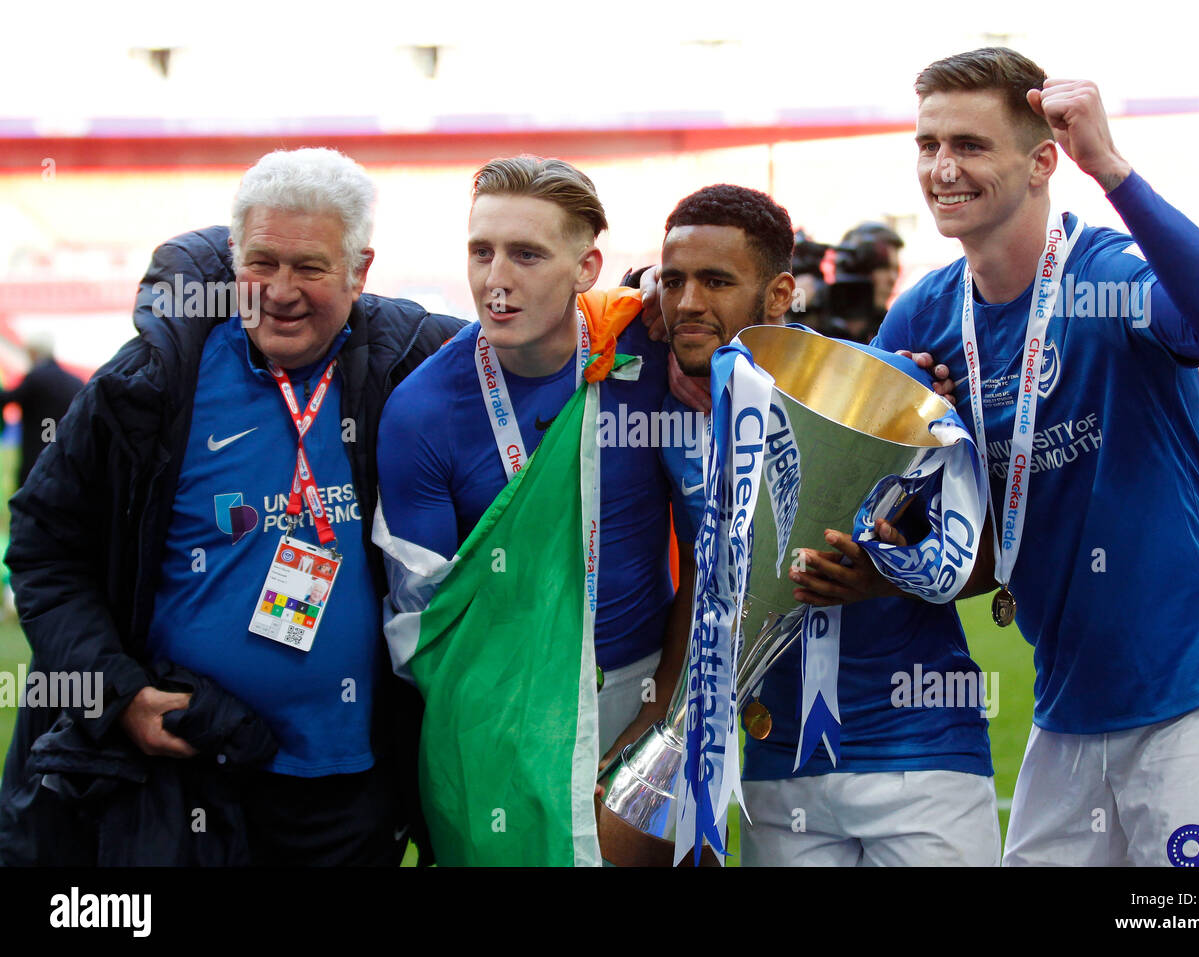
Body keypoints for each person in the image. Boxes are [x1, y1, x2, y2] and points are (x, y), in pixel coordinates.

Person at [0, 147, 464, 866]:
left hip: (347, 791)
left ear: (359, 270)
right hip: (186, 772)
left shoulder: (412, 362)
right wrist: (117, 694)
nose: (278, 291)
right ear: (232, 256)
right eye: (261, 262)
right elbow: (42, 542)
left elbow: (537, 348)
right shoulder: (153, 380)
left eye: (309, 267)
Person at [869, 48, 1199, 865]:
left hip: (1191, 689)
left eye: (971, 146)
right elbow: (872, 499)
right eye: (928, 144)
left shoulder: (1106, 276)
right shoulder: (924, 315)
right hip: (1067, 699)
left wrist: (1113, 168)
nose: (942, 167)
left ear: (1044, 160)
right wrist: (908, 428)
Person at [655, 183, 1000, 866]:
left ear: (781, 294)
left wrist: (883, 576)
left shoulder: (884, 385)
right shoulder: (668, 424)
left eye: (716, 281)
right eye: (672, 280)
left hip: (920, 757)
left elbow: (987, 559)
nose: (689, 301)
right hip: (776, 771)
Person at [375, 155, 688, 764]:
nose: (496, 278)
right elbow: (423, 624)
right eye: (481, 251)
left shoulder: (652, 346)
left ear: (586, 268)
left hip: (648, 684)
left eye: (526, 254)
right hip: (504, 700)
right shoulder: (420, 410)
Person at [0, 336, 84, 487]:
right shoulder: (74, 381)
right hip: (64, 448)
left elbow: (8, 399)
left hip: (37, 448)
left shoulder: (37, 377)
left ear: (33, 353)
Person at [824, 222, 904, 343]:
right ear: (854, 267)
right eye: (882, 267)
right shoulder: (816, 315)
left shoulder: (893, 328)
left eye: (896, 269)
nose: (893, 279)